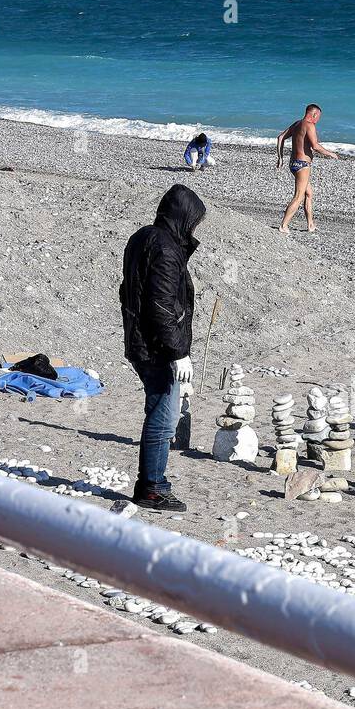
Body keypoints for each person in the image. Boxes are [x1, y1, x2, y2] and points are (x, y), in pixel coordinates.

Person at [118, 184, 206, 512]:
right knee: (162, 416)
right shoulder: (166, 249)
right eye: (193, 222)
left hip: (141, 339)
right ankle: (152, 487)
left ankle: (152, 483)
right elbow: (161, 306)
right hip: (155, 347)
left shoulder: (142, 237)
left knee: (161, 411)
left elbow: (131, 291)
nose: (194, 229)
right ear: (181, 217)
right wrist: (178, 351)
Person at [275, 103, 341, 233]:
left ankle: (310, 225)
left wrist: (280, 157)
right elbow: (315, 146)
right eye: (318, 117)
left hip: (293, 164)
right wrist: (330, 153)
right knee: (299, 196)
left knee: (309, 193)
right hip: (303, 165)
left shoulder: (297, 124)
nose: (318, 120)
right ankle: (283, 225)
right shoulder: (309, 125)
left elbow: (280, 137)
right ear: (314, 114)